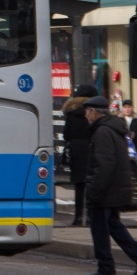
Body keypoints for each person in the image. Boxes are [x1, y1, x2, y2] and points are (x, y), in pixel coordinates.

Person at [82, 95, 137, 275]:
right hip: (115, 188)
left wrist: (95, 192)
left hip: (106, 190)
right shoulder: (113, 128)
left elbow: (105, 165)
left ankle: (106, 267)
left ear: (94, 113)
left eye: (87, 112)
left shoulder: (102, 132)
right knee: (113, 226)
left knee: (99, 228)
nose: (85, 116)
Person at [61, 84, 97, 226]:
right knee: (90, 184)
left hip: (77, 151)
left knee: (79, 186)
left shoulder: (71, 113)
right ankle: (89, 217)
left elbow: (66, 135)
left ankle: (77, 217)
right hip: (92, 149)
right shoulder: (93, 112)